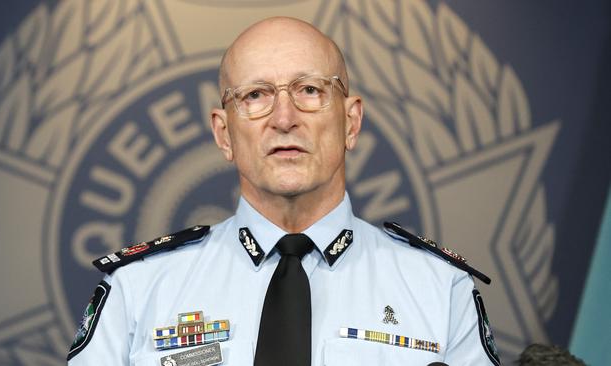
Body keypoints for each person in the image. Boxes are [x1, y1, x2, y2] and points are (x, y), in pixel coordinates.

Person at [67, 17, 500, 366]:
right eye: (256, 95)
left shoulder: (440, 289)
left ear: (350, 122)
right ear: (223, 134)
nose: (284, 118)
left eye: (310, 90)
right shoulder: (139, 289)